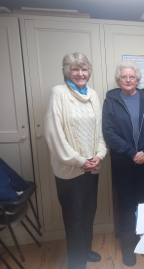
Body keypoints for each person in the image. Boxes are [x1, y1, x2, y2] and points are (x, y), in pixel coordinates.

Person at [44, 53, 107, 269]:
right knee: (74, 219)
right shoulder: (59, 93)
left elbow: (99, 131)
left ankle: (86, 249)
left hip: (92, 167)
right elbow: (54, 134)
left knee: (88, 212)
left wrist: (98, 155)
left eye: (84, 69)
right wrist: (79, 160)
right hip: (70, 170)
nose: (81, 74)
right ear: (67, 72)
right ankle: (76, 262)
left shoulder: (93, 95)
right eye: (75, 69)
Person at [102, 60, 144, 266]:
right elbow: (108, 132)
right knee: (126, 204)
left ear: (138, 79)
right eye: (124, 77)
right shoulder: (110, 100)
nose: (128, 80)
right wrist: (131, 152)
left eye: (132, 76)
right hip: (123, 163)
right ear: (119, 80)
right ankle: (128, 246)